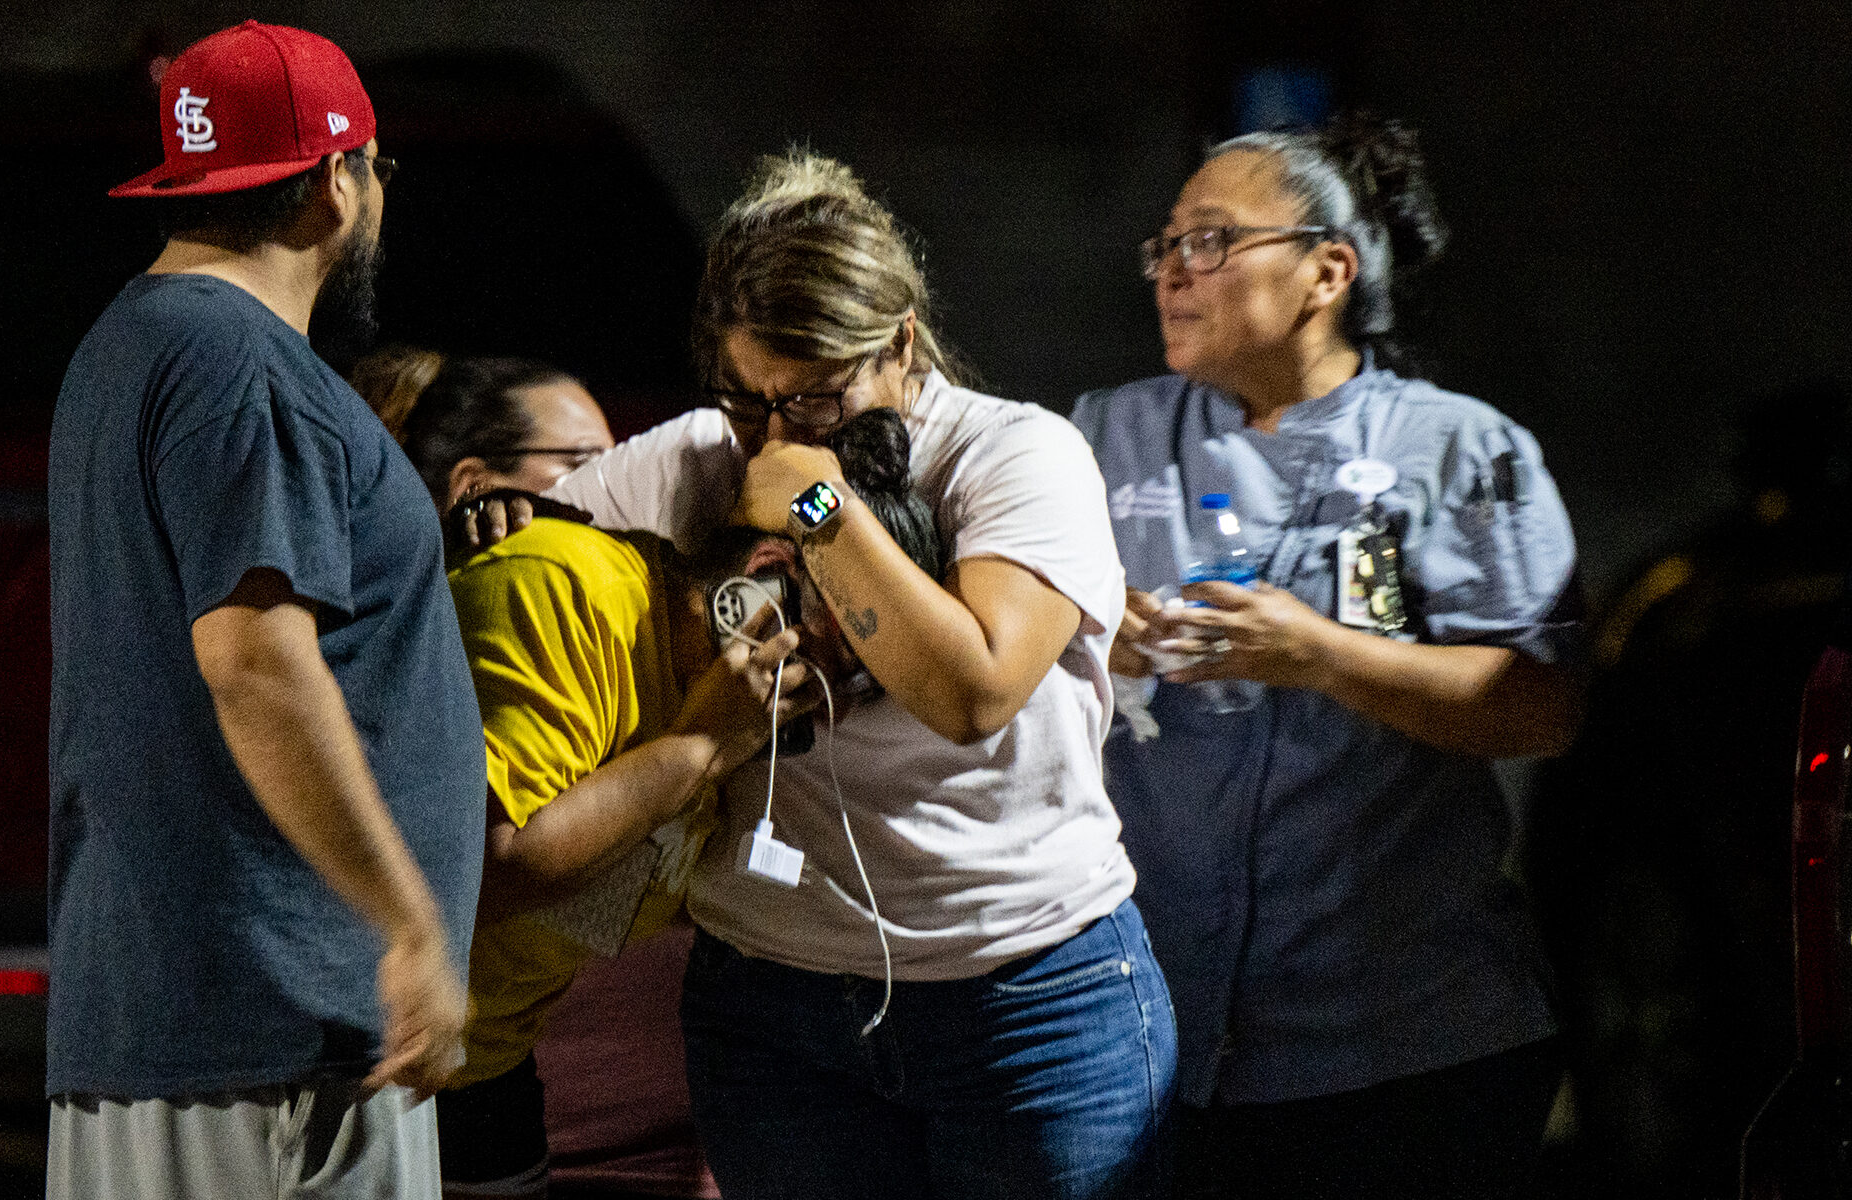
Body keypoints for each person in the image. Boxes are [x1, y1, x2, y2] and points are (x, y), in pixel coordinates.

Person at [544, 150, 1176, 1200]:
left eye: (816, 401)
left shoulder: (1015, 456)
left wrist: (817, 507)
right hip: (772, 1006)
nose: (776, 434)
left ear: (901, 348)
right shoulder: (698, 456)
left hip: (1024, 999)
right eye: (748, 402)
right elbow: (533, 576)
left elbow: (971, 694)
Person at [1068, 113, 1583, 1200]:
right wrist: (1081, 631)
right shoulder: (1104, 436)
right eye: (1164, 246)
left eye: (1210, 241)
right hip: (1147, 1033)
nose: (1172, 271)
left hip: (1401, 1043)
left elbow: (1544, 709)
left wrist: (1321, 658)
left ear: (1326, 271)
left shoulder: (1459, 448)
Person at [45, 23, 485, 1200]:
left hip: (178, 1022)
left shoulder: (130, 345)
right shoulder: (243, 368)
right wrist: (408, 927)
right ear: (338, 183)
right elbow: (256, 662)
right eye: (377, 168)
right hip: (277, 1038)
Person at [363, 352, 944, 1199]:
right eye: (842, 665)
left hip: (482, 1071)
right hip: (360, 1057)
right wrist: (699, 745)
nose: (840, 709)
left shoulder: (739, 715)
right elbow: (486, 868)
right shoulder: (567, 593)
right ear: (766, 582)